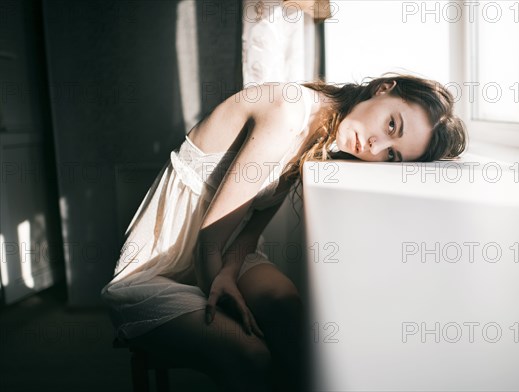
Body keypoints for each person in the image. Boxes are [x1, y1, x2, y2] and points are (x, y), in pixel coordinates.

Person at [100, 72, 467, 392]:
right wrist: (224, 291)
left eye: (392, 156)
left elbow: (245, 235)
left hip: (221, 251)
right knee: (251, 355)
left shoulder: (320, 136)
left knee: (285, 307)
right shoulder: (289, 113)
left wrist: (229, 272)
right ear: (384, 89)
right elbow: (207, 242)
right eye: (392, 126)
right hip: (161, 263)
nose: (376, 147)